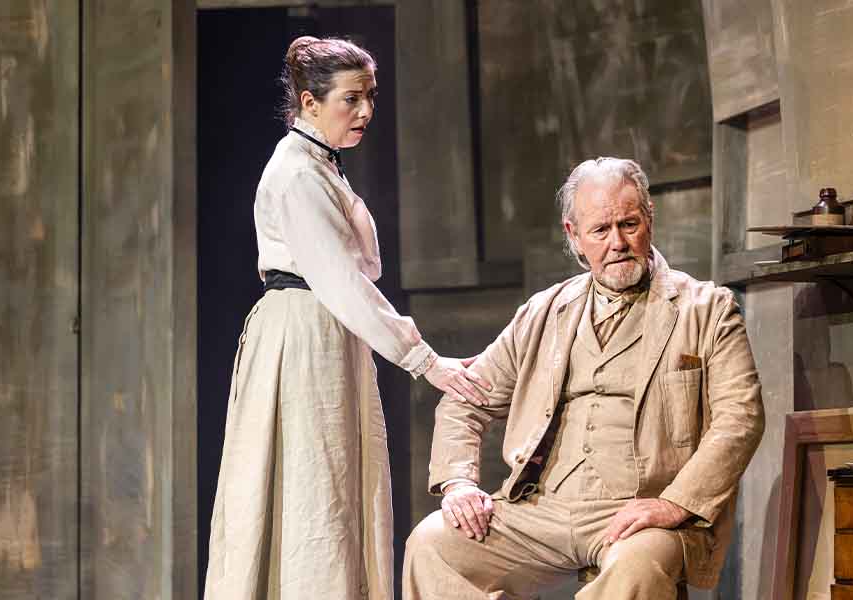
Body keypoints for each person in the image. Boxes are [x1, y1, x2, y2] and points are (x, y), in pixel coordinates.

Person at [204, 36, 489, 600]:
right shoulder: (299, 174)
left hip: (326, 329)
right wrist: (424, 360)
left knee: (332, 482)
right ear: (310, 102)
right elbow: (343, 280)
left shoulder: (320, 165)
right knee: (313, 486)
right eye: (350, 99)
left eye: (370, 97)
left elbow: (356, 274)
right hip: (304, 334)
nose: (365, 111)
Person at [403, 157, 765, 599]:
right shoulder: (543, 312)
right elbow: (466, 397)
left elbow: (739, 419)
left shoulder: (707, 309)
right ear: (574, 236)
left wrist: (673, 504)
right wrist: (459, 483)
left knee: (636, 567)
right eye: (600, 230)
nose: (618, 242)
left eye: (629, 224)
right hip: (539, 509)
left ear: (650, 218)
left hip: (637, 511)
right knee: (433, 544)